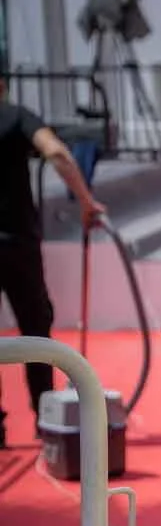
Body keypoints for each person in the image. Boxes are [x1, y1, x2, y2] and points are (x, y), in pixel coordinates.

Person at [0, 79, 105, 449]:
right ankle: (45, 419)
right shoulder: (15, 116)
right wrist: (86, 201)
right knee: (35, 329)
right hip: (16, 242)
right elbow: (56, 153)